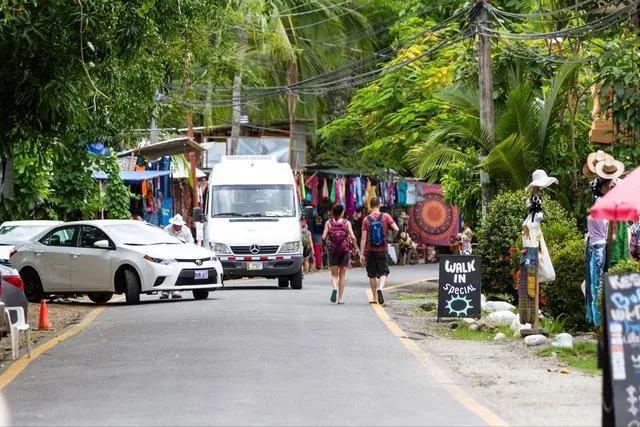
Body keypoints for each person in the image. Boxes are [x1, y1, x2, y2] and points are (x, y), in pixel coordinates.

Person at [360, 198, 399, 305]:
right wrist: (390, 238)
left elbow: (363, 238)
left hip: (370, 250)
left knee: (371, 274)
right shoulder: (386, 216)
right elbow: (396, 229)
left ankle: (374, 297)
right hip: (382, 248)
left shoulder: (366, 219)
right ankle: (380, 288)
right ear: (379, 205)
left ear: (370, 205)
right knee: (384, 271)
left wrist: (362, 253)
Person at [322, 204, 357, 304]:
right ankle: (340, 299)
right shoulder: (347, 223)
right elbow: (353, 237)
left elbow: (324, 237)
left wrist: (326, 246)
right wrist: (355, 247)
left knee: (334, 275)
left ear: (333, 212)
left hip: (333, 251)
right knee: (342, 275)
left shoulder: (328, 223)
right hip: (344, 251)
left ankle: (334, 288)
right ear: (342, 212)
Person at [160, 214, 194, 300]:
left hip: (181, 253)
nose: (177, 226)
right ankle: (165, 291)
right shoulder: (167, 229)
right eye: (175, 225)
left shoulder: (186, 230)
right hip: (168, 253)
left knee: (178, 271)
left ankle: (176, 290)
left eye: (178, 225)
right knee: (166, 270)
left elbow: (191, 243)